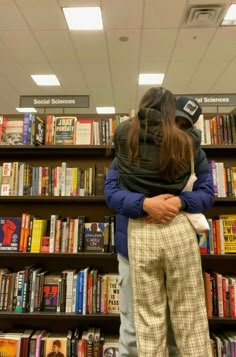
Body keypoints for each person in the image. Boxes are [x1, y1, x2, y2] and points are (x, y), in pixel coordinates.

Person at [109, 88, 214, 357]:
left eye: (184, 126)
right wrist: (146, 204)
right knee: (134, 329)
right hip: (131, 248)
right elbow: (111, 192)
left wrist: (178, 203)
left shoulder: (191, 149)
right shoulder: (128, 144)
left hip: (175, 237)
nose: (175, 130)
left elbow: (207, 193)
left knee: (178, 326)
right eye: (176, 121)